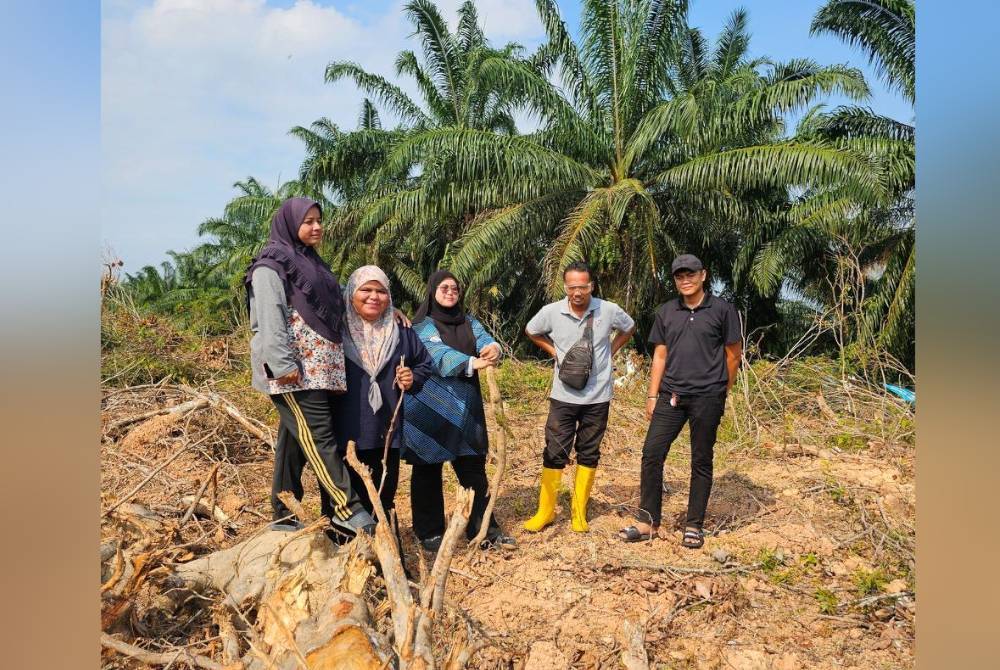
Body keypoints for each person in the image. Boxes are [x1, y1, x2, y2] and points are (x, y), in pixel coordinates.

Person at [245, 197, 375, 536]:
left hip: (319, 368)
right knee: (320, 439)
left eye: (319, 220)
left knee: (293, 444)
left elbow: (343, 299)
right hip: (294, 371)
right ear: (290, 224)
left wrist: (388, 311)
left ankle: (283, 514)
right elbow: (269, 318)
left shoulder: (311, 263)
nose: (317, 227)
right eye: (308, 222)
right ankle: (349, 509)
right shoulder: (270, 266)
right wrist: (283, 364)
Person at [618, 254, 742, 549]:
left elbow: (733, 355)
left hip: (707, 397)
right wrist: (651, 394)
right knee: (651, 453)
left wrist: (722, 390)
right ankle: (648, 521)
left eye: (690, 274)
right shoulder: (666, 312)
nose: (685, 280)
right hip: (670, 395)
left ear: (703, 275)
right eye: (679, 276)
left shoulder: (723, 310)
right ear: (674, 280)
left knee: (700, 459)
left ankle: (693, 525)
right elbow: (659, 355)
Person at [401, 270, 517, 551]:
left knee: (473, 469)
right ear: (432, 291)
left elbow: (485, 339)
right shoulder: (421, 326)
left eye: (455, 288)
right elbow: (436, 355)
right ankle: (430, 533)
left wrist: (493, 349)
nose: (450, 292)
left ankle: (484, 528)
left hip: (467, 409)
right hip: (429, 407)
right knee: (428, 470)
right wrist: (471, 363)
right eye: (444, 287)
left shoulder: (469, 322)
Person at [522, 261, 636, 533]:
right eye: (572, 287)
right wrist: (554, 352)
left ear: (591, 286)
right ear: (565, 287)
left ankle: (578, 512)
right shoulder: (551, 312)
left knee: (589, 452)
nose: (577, 292)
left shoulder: (608, 310)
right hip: (563, 396)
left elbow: (629, 327)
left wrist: (611, 350)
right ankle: (545, 511)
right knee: (554, 451)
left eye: (583, 287)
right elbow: (531, 330)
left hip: (597, 396)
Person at [333, 265, 434, 527]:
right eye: (365, 289)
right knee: (346, 502)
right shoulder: (336, 329)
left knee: (383, 497)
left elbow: (424, 363)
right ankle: (347, 558)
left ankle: (387, 558)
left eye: (381, 291)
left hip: (386, 430)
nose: (374, 296)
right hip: (345, 430)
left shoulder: (400, 330)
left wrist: (412, 377)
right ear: (351, 294)